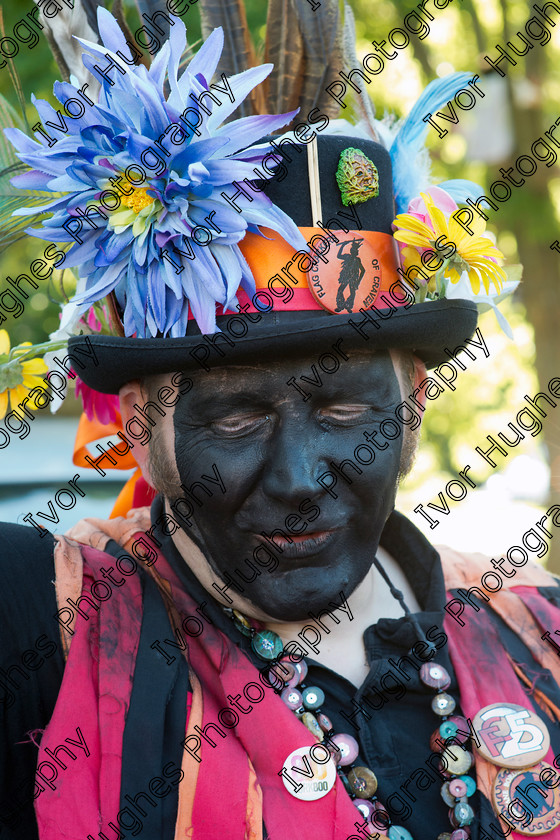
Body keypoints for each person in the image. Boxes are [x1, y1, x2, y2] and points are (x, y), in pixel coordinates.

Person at [2, 7, 560, 840]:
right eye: (235, 417)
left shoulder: (539, 635)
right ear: (144, 424)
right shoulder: (45, 622)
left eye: (344, 408)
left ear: (411, 408)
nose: (299, 477)